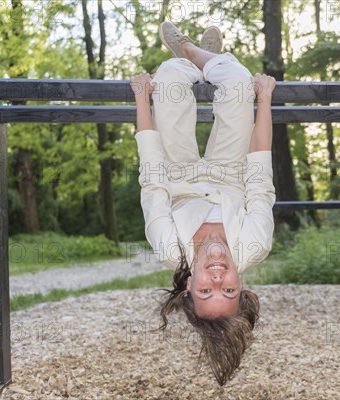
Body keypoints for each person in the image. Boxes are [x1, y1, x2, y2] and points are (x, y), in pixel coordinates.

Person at [130, 21, 276, 385]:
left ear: (187, 286)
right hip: (231, 172)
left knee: (167, 80)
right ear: (241, 284)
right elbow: (260, 177)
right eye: (227, 289)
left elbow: (152, 178)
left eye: (204, 290)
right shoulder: (255, 244)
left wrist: (141, 98)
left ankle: (187, 57)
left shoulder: (169, 246)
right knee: (240, 82)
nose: (215, 276)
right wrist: (265, 100)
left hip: (178, 173)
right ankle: (197, 53)